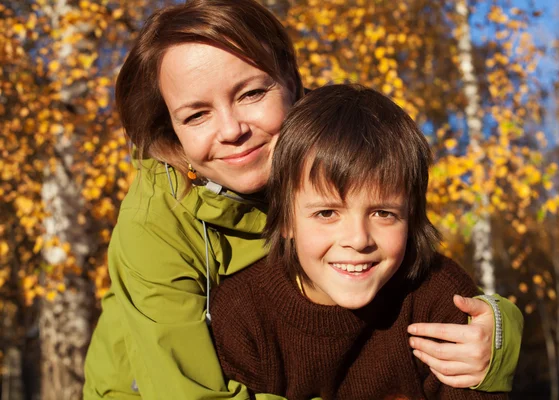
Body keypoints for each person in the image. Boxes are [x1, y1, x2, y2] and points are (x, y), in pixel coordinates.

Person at [83, 1, 523, 399]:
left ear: (290, 82)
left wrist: (498, 331)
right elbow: (185, 392)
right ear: (171, 129)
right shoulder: (156, 223)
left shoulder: (328, 151)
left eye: (252, 93)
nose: (232, 129)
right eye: (197, 114)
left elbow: (416, 265)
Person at [210, 83, 511, 400]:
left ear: (411, 217)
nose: (357, 240)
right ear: (285, 220)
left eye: (383, 213)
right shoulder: (242, 314)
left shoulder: (439, 300)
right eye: (327, 213)